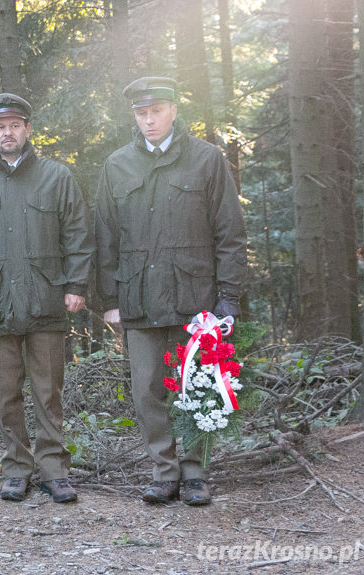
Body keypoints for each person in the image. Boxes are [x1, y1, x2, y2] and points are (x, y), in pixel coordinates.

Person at [95, 77, 247, 506]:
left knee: (196, 386)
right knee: (146, 390)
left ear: (174, 111)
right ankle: (164, 473)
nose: (148, 120)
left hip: (195, 300)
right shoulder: (117, 165)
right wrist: (110, 300)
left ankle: (196, 473)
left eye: (156, 111)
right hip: (139, 298)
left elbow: (230, 234)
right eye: (141, 113)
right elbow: (105, 238)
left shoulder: (206, 159)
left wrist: (228, 298)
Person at [0, 94, 94, 504]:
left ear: (28, 129)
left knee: (49, 392)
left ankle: (54, 470)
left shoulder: (56, 177)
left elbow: (78, 237)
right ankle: (16, 468)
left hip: (47, 300)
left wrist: (76, 286)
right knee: (6, 393)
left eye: (14, 125)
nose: (7, 133)